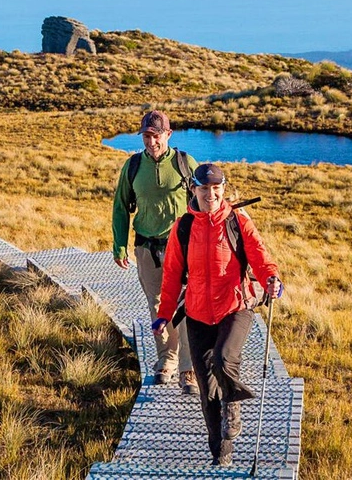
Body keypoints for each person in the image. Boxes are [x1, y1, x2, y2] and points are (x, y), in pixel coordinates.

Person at [153, 163, 284, 467]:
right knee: (207, 389)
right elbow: (172, 274)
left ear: (223, 189)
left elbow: (261, 258)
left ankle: (234, 402)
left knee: (224, 359)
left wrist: (271, 279)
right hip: (198, 313)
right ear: (194, 190)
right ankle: (220, 454)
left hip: (234, 307)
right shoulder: (183, 227)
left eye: (216, 188)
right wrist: (164, 314)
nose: (210, 194)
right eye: (204, 188)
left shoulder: (238, 223)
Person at [112, 110, 199, 393]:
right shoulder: (133, 166)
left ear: (168, 135)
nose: (151, 142)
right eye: (147, 136)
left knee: (185, 307)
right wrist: (120, 244)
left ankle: (188, 368)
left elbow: (205, 204)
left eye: (156, 136)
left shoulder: (186, 164)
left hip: (182, 250)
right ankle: (166, 362)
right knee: (158, 305)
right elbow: (121, 206)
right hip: (147, 249)